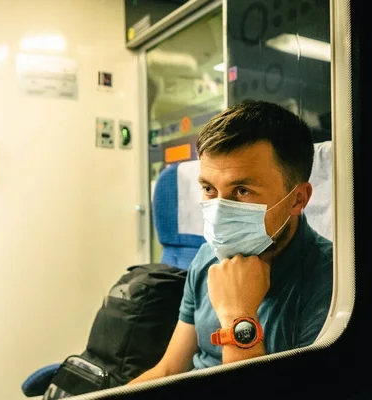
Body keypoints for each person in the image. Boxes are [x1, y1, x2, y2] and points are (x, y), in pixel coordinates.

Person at [128, 99, 333, 384]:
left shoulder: (332, 283)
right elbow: (168, 370)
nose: (220, 211)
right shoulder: (206, 257)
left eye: (242, 191)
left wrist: (239, 315)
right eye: (209, 189)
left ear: (298, 199)